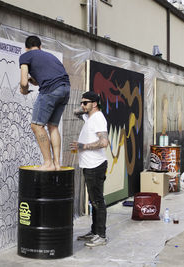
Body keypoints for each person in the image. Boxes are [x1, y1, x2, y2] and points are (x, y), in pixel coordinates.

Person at [19, 36, 71, 171]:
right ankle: (57, 164)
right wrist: (34, 81)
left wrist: (24, 90)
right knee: (53, 126)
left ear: (26, 48)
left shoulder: (26, 56)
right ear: (40, 47)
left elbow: (23, 82)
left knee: (36, 125)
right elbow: (49, 76)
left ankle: (48, 163)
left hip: (51, 90)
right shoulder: (49, 56)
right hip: (65, 89)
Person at [70, 91, 109, 247]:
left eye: (85, 103)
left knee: (98, 201)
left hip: (95, 166)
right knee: (94, 201)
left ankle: (101, 235)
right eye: (81, 102)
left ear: (94, 104)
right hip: (89, 165)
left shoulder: (98, 118)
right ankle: (94, 232)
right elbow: (75, 112)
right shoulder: (90, 117)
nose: (81, 105)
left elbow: (104, 142)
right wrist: (85, 107)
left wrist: (83, 146)